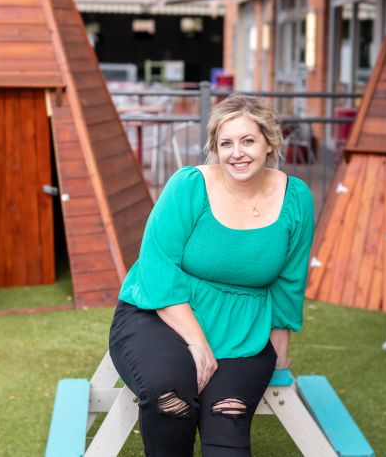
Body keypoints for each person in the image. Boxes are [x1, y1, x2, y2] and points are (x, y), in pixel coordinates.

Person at [109, 93, 315, 456]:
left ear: (269, 143)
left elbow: (289, 280)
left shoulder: (295, 198)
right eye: (226, 143)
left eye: (248, 141)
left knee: (226, 414)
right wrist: (197, 343)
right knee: (171, 399)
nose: (237, 153)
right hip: (161, 316)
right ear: (215, 148)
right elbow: (158, 268)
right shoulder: (189, 185)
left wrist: (280, 352)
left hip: (242, 330)